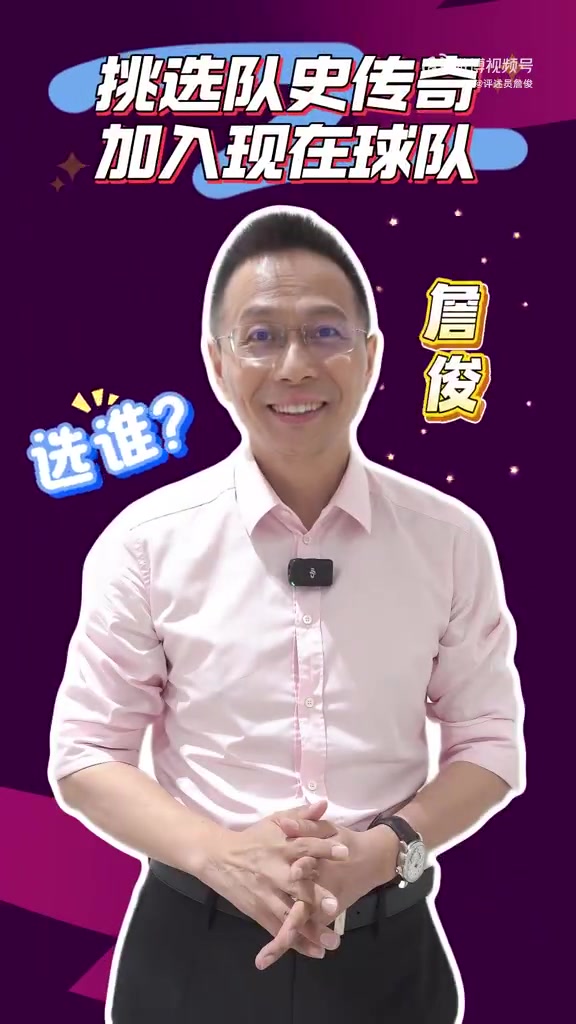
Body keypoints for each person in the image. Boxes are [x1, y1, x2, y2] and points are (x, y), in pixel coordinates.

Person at [48, 205, 526, 1024]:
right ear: (217, 360)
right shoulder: (146, 542)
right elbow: (86, 753)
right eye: (261, 337)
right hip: (192, 949)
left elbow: (490, 745)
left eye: (325, 333)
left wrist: (382, 852)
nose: (295, 366)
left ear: (371, 354)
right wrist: (222, 856)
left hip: (389, 949)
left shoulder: (448, 540)